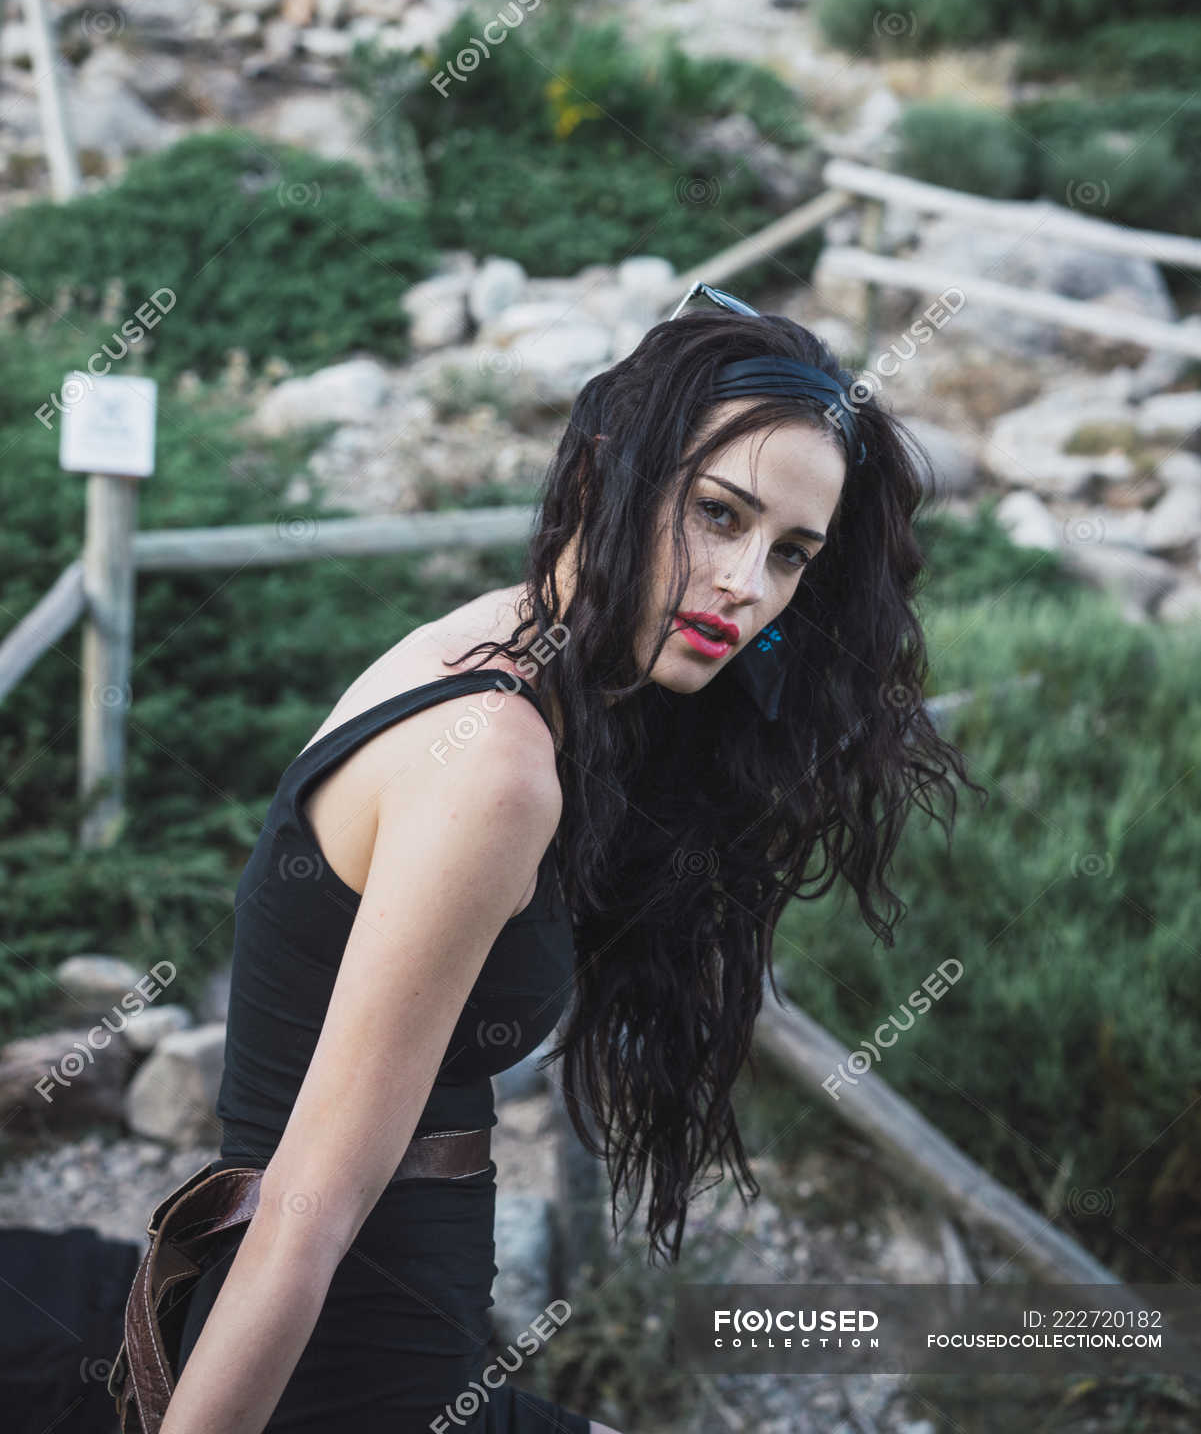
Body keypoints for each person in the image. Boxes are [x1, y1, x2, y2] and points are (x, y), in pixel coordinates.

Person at [161, 289, 985, 1433]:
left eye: (791, 554)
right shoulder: (493, 769)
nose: (747, 585)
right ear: (605, 474)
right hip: (355, 1370)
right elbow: (306, 1208)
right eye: (716, 513)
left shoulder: (508, 648)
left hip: (406, 1332)